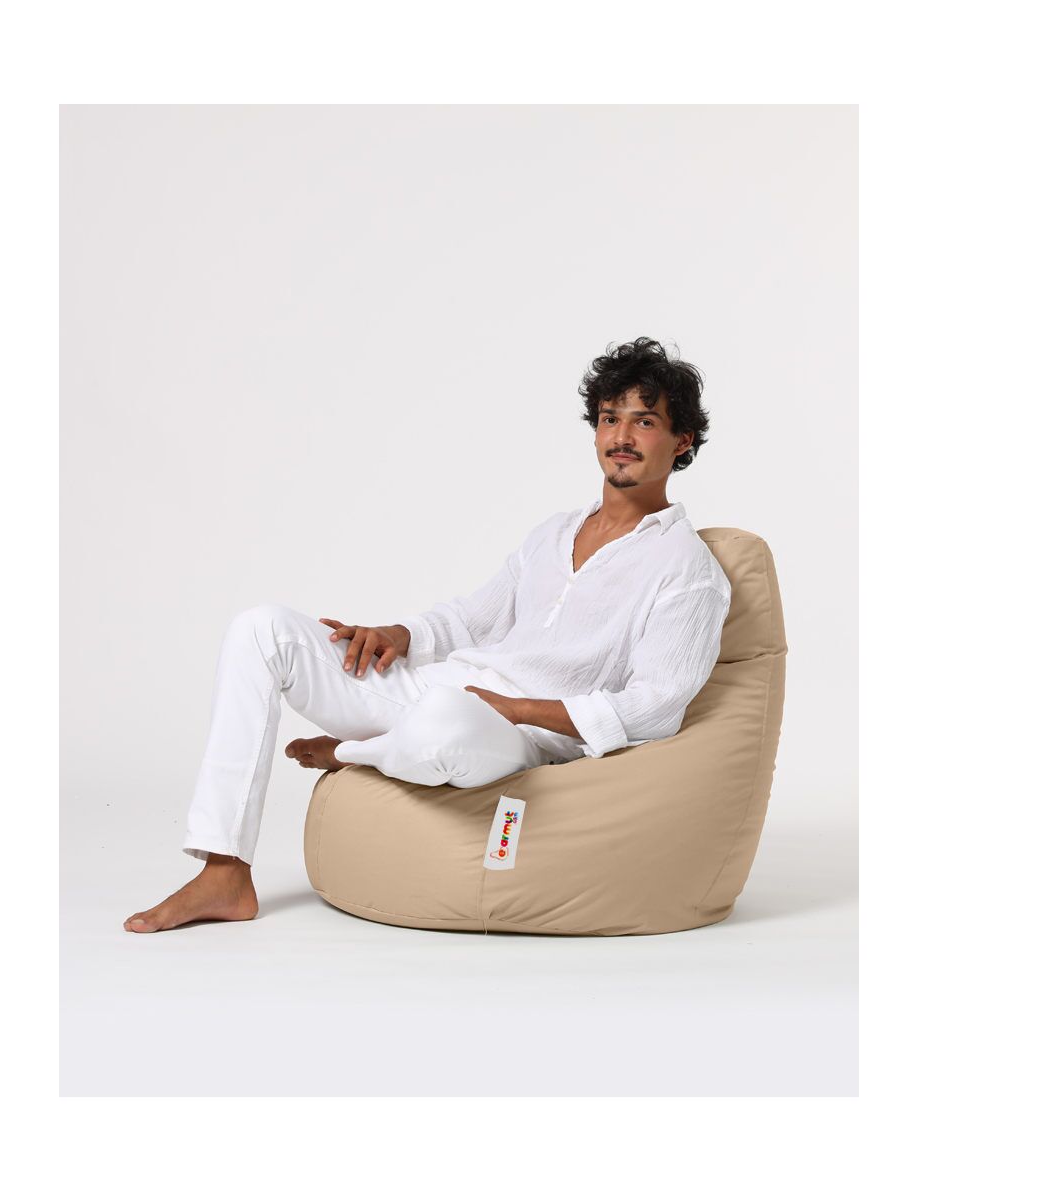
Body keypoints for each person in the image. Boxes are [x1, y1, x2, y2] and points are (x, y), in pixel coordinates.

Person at [124, 337, 732, 933]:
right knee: (261, 629)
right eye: (609, 419)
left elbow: (657, 706)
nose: (621, 437)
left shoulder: (686, 567)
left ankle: (350, 752)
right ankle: (224, 870)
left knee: (446, 721)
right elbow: (472, 619)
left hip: (512, 735)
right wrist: (400, 634)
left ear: (682, 440)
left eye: (644, 421)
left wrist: (517, 709)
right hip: (436, 690)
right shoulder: (553, 532)